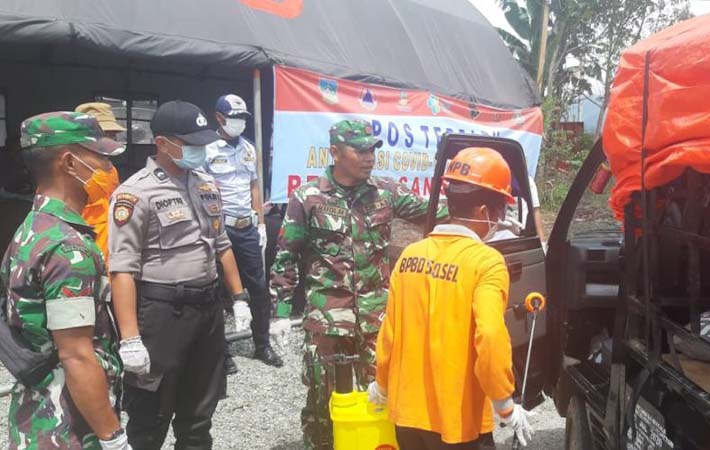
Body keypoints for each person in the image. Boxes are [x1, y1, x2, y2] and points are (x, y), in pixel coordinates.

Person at [270, 119, 447, 449]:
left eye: (373, 150)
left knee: (381, 394)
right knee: (323, 401)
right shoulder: (307, 197)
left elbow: (432, 211)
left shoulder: (385, 191)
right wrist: (280, 312)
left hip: (376, 320)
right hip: (327, 320)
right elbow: (286, 256)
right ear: (335, 152)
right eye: (361, 150)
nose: (369, 157)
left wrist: (478, 207)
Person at [370, 147, 536, 449]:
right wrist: (505, 405)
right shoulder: (486, 262)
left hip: (406, 419)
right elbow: (490, 336)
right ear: (484, 212)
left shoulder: (410, 255)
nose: (500, 221)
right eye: (500, 212)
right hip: (457, 423)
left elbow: (389, 333)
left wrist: (381, 386)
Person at [108, 100, 250, 449]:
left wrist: (240, 298)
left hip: (206, 309)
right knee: (151, 415)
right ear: (162, 143)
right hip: (162, 312)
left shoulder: (205, 184)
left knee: (201, 410)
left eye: (202, 142)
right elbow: (122, 268)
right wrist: (130, 339)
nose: (199, 150)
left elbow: (221, 244)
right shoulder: (135, 193)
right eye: (191, 143)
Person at [0, 112, 129, 449]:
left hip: (36, 414)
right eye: (99, 156)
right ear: (70, 163)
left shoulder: (33, 227)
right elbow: (77, 356)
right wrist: (112, 436)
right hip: (68, 426)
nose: (106, 167)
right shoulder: (68, 247)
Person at [205, 94, 282, 372]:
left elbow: (254, 186)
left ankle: (262, 343)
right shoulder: (207, 149)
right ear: (219, 117)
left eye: (242, 118)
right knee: (218, 290)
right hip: (219, 228)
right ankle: (221, 352)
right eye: (233, 117)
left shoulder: (249, 148)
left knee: (259, 287)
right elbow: (206, 190)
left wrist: (260, 222)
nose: (238, 123)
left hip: (246, 227)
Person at [74, 102, 127, 261]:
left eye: (112, 134)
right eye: (104, 134)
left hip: (112, 253)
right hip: (84, 258)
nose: (110, 139)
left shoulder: (110, 168)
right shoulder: (70, 172)